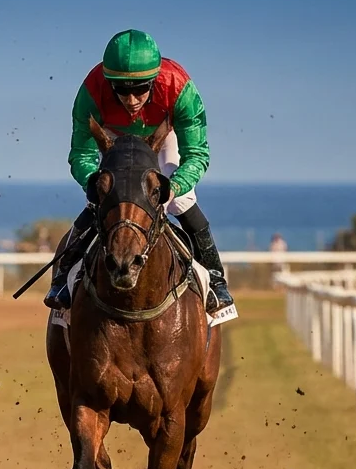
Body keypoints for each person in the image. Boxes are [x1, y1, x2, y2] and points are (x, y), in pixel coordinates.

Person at [43, 29, 234, 314]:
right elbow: (81, 154)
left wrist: (175, 185)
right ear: (109, 82)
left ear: (155, 80)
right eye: (120, 89)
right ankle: (62, 278)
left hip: (163, 135)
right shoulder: (91, 92)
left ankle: (216, 281)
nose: (131, 100)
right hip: (113, 137)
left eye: (140, 88)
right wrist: (94, 183)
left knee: (181, 201)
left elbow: (197, 154)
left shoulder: (179, 88)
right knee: (102, 198)